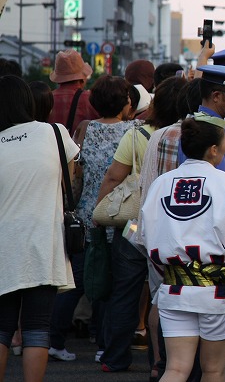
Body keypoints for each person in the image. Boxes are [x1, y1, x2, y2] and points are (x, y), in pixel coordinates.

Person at [139, 113, 225, 382]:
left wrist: (166, 271)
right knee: (213, 371)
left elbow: (147, 236)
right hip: (216, 293)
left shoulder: (161, 184)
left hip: (174, 289)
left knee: (175, 368)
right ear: (213, 150)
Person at [93, 76, 187, 374]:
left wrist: (99, 212)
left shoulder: (135, 135)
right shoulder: (190, 137)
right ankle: (162, 363)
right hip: (173, 228)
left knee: (124, 291)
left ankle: (115, 358)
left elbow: (113, 177)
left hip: (134, 226)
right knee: (166, 294)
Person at [49, 75, 136, 363]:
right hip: (122, 216)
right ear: (125, 102)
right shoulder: (133, 131)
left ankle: (55, 340)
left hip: (89, 214)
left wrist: (70, 207)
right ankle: (103, 343)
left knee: (80, 280)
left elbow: (76, 176)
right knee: (113, 283)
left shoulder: (85, 130)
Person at [0, 76, 79, 382]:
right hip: (43, 241)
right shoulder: (54, 133)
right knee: (36, 327)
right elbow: (69, 181)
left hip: (4, 243)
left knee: (3, 327)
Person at [48, 49, 99, 134]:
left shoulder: (47, 99)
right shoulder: (91, 99)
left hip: (51, 146)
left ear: (59, 78)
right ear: (82, 78)